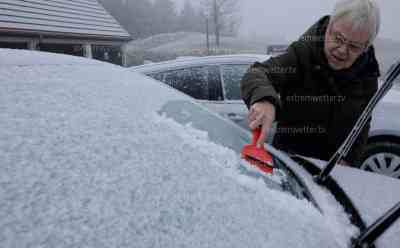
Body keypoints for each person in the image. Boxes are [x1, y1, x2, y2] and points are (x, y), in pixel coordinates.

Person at [240, 0, 381, 166]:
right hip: (290, 167)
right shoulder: (302, 54)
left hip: (331, 174)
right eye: (338, 38)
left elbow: (362, 124)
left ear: (366, 47)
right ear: (329, 27)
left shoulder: (367, 77)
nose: (342, 50)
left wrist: (349, 160)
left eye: (354, 46)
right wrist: (264, 99)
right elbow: (257, 73)